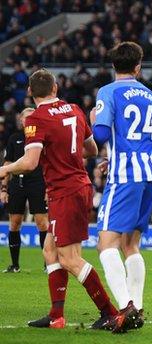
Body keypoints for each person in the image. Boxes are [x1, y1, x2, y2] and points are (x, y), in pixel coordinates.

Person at [0, 69, 118, 330]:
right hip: (72, 187)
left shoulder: (37, 118)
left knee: (69, 258)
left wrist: (6, 169)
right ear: (55, 89)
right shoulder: (74, 109)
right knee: (50, 251)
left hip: (66, 190)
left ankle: (110, 312)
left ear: (30, 92)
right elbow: (91, 150)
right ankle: (56, 316)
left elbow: (30, 162)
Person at [92, 41, 152, 331]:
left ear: (113, 66)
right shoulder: (150, 95)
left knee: (105, 244)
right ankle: (138, 306)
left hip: (126, 175)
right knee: (131, 244)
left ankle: (124, 308)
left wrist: (92, 118)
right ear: (138, 66)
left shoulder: (108, 92)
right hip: (151, 172)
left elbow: (99, 132)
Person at [1, 107, 48, 273]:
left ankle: (48, 264)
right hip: (17, 184)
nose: (28, 120)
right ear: (21, 121)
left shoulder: (42, 138)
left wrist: (49, 188)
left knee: (42, 223)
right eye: (25, 118)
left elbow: (49, 164)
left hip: (38, 183)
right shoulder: (14, 139)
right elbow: (7, 165)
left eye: (31, 117)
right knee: (14, 223)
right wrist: (4, 188)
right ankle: (14, 265)